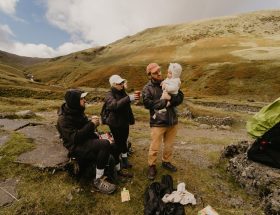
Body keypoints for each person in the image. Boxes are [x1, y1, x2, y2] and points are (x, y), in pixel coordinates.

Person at [56, 89, 118, 194]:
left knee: (110, 141)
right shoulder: (63, 119)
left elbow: (84, 128)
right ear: (75, 101)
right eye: (82, 99)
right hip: (75, 147)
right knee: (104, 144)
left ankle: (113, 170)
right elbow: (75, 138)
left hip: (85, 141)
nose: (85, 101)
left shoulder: (77, 110)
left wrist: (92, 126)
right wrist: (92, 124)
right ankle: (98, 180)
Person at [142, 63, 184, 180]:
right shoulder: (147, 88)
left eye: (159, 70)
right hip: (158, 122)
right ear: (150, 75)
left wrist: (171, 98)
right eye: (155, 72)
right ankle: (152, 165)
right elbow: (148, 104)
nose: (159, 73)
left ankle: (166, 162)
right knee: (155, 146)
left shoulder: (170, 81)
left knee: (169, 145)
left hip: (172, 121)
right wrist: (164, 102)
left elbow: (180, 97)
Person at [103, 74, 139, 174]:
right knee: (118, 144)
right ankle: (118, 166)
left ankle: (125, 161)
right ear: (113, 84)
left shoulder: (121, 91)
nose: (122, 84)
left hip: (124, 121)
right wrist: (128, 98)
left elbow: (124, 103)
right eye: (120, 83)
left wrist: (130, 99)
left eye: (122, 82)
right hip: (115, 123)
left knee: (124, 141)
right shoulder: (109, 94)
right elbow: (114, 105)